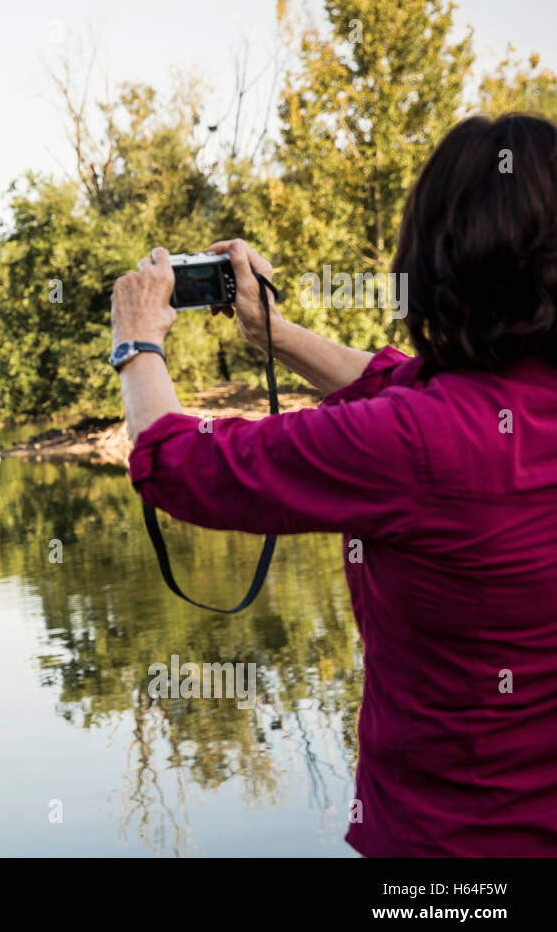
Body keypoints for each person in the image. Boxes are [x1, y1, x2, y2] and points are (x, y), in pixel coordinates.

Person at [108, 113, 557, 857]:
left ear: (442, 256)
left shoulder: (418, 441)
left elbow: (179, 462)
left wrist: (136, 342)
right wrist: (273, 333)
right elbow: (395, 379)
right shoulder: (472, 412)